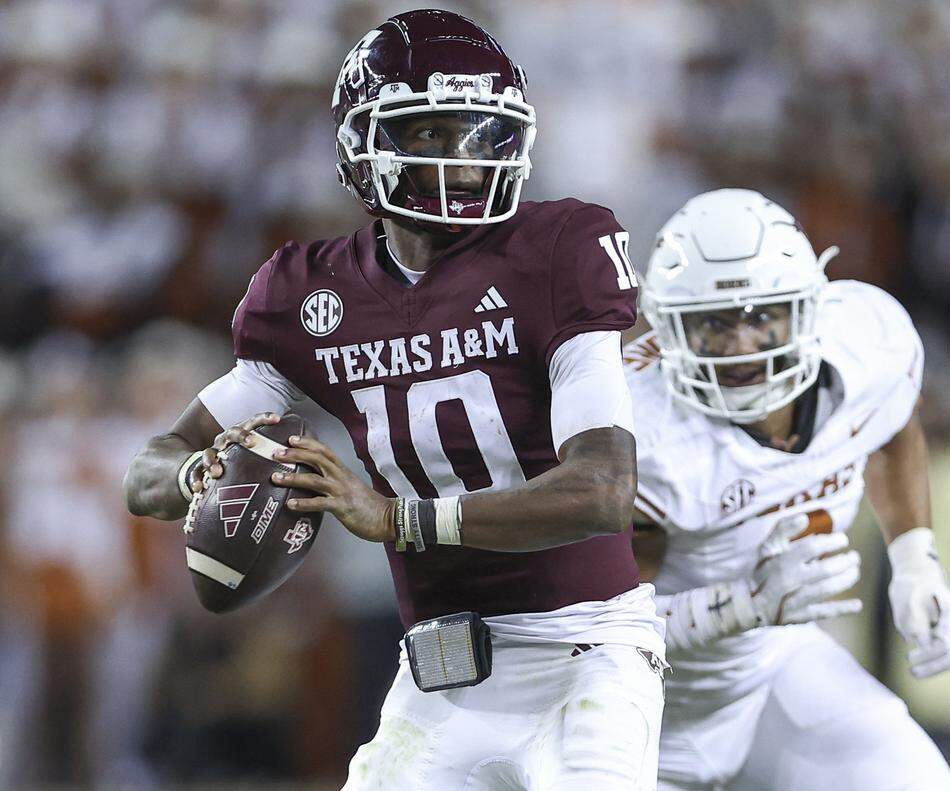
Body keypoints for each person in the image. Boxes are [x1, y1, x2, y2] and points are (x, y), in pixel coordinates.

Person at [124, 10, 664, 789]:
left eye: (482, 135)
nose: (466, 164)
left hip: (587, 652)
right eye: (434, 135)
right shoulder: (310, 296)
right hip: (440, 673)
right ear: (360, 142)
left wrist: (395, 519)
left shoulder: (557, 251)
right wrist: (194, 474)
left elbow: (604, 489)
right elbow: (149, 467)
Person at [624, 189, 950, 790]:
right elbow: (591, 625)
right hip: (634, 711)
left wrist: (917, 562)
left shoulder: (865, 347)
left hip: (769, 671)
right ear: (669, 328)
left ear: (808, 308)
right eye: (713, 323)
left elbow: (890, 427)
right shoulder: (643, 431)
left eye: (762, 317)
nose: (741, 346)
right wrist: (743, 605)